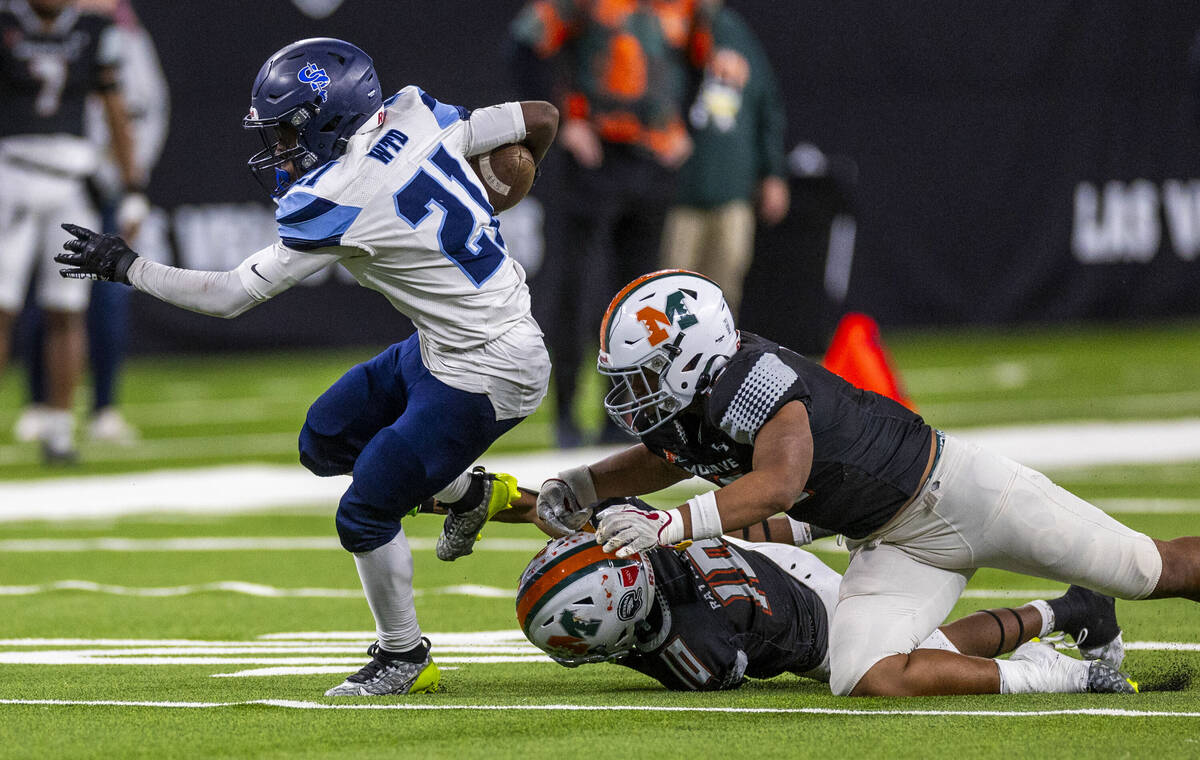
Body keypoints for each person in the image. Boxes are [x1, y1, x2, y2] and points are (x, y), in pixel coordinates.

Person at [55, 37, 559, 697]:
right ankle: (472, 493)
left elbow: (232, 295)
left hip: (490, 366)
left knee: (366, 510)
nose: (281, 145)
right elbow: (542, 117)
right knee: (326, 440)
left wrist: (127, 266)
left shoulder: (342, 193)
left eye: (289, 128)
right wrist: (495, 194)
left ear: (330, 118)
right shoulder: (415, 112)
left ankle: (404, 657)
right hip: (443, 343)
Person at [532, 268, 1200, 697]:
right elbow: (665, 458)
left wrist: (666, 524)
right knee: (864, 676)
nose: (632, 395)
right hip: (892, 541)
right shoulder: (699, 404)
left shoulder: (754, 375)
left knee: (1151, 569)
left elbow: (778, 483)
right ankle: (1053, 674)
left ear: (695, 356)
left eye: (646, 375)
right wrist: (582, 486)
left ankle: (1091, 609)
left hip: (960, 495)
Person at [518, 526, 1133, 693]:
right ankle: (1072, 609)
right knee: (925, 644)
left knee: (912, 666)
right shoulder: (647, 554)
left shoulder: (695, 651)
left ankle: (1063, 648)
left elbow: (719, 670)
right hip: (777, 561)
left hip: (817, 626)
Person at [509, 0, 735, 448]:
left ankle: (627, 414)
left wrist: (687, 124)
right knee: (574, 288)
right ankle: (567, 414)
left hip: (653, 159)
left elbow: (719, 63)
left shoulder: (692, 7)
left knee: (642, 297)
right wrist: (565, 121)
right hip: (594, 156)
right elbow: (525, 45)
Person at [14, 0, 168, 447]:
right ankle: (40, 404)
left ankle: (100, 407)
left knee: (90, 300)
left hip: (92, 183)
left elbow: (142, 109)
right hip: (37, 175)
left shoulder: (115, 32)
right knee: (27, 299)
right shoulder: (23, 28)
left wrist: (130, 180)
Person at [660, 6, 788, 315]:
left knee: (724, 293)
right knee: (671, 294)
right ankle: (668, 363)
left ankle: (722, 362)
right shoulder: (665, 22)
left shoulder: (735, 33)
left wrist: (773, 172)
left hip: (732, 189)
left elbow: (767, 103)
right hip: (677, 192)